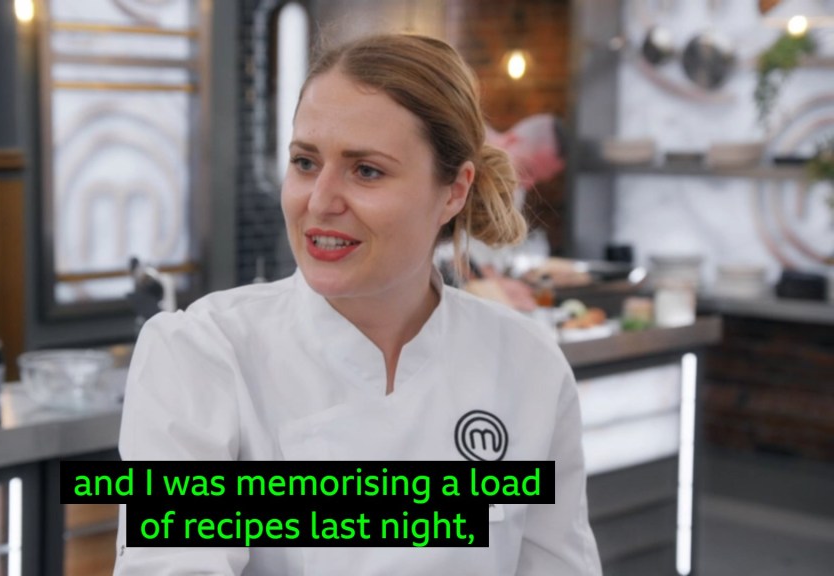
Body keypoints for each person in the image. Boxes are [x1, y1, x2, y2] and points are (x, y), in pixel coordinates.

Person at [115, 33, 602, 575]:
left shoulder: (527, 365)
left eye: (367, 170)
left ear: (453, 191)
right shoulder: (201, 354)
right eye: (305, 162)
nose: (320, 200)